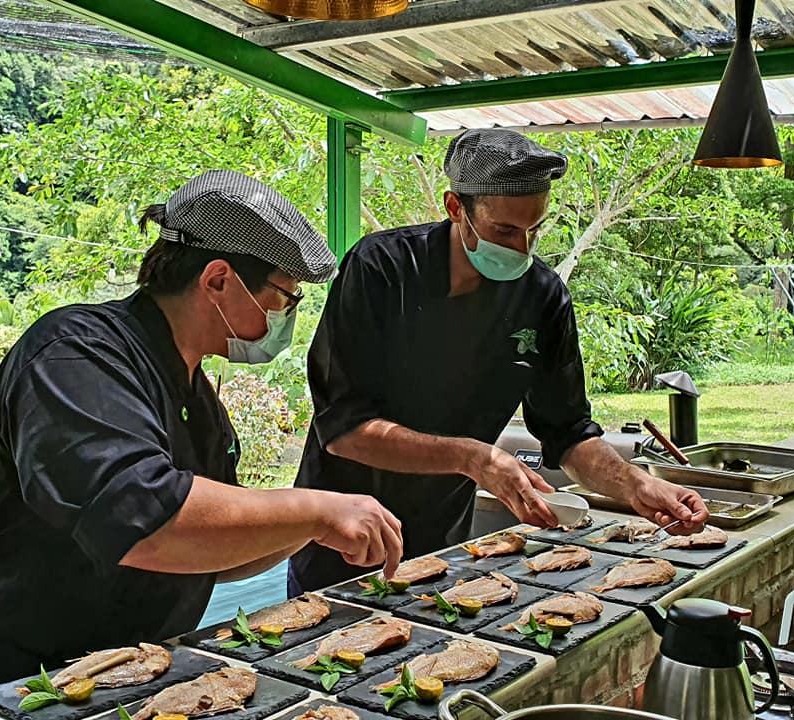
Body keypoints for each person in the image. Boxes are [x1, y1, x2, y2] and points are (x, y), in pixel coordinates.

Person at [0, 170, 403, 715]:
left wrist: (309, 531)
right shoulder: (75, 355)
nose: (287, 314)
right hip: (0, 677)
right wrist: (314, 507)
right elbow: (144, 520)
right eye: (284, 295)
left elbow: (206, 551)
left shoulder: (194, 392)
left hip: (120, 675)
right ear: (217, 280)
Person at [288, 129, 707, 595]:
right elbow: (345, 431)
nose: (521, 249)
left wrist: (635, 486)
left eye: (534, 230)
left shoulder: (542, 298)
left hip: (440, 543)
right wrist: (474, 457)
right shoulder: (382, 270)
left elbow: (567, 433)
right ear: (455, 208)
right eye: (504, 230)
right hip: (342, 540)